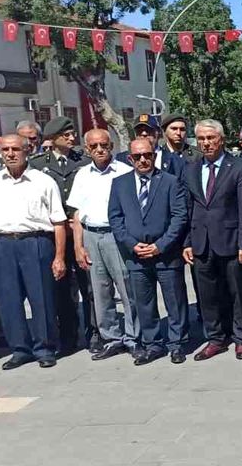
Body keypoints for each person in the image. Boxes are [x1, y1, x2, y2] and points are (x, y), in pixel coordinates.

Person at [0, 134, 67, 369]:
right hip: (3, 245)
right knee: (8, 300)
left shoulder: (43, 181)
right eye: (5, 150)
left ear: (27, 150)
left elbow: (59, 222)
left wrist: (59, 257)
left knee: (41, 297)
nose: (10, 154)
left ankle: (45, 348)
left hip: (36, 242)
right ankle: (20, 349)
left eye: (15, 149)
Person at [109, 137, 191, 365]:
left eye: (148, 155)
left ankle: (177, 344)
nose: (143, 160)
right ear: (130, 158)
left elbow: (179, 217)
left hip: (166, 254)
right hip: (136, 256)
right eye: (138, 156)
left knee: (175, 301)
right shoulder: (120, 183)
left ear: (155, 156)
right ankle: (152, 344)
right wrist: (131, 244)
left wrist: (160, 245)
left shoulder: (170, 182)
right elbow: (115, 218)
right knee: (144, 303)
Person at [182, 119, 242, 361]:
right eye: (201, 139)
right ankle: (215, 338)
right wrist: (187, 242)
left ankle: (241, 338)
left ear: (221, 139)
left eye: (210, 138)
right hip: (201, 241)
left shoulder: (239, 167)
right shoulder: (191, 168)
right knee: (208, 294)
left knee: (238, 292)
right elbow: (187, 208)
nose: (206, 143)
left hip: (231, 239)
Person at [69, 129, 138, 361]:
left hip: (117, 236)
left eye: (104, 145)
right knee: (100, 292)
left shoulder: (126, 172)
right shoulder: (82, 175)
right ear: (87, 149)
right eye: (94, 146)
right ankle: (112, 338)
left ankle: (133, 337)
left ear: (112, 146)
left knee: (128, 288)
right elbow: (77, 214)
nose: (100, 149)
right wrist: (78, 246)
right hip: (91, 236)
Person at [30, 116, 97, 354]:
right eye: (65, 135)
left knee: (89, 286)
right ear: (53, 138)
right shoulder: (38, 165)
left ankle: (94, 333)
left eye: (72, 133)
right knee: (61, 289)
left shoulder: (84, 161)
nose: (71, 138)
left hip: (80, 231)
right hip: (55, 234)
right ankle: (68, 335)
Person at [116, 115, 184, 176]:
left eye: (149, 130)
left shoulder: (175, 160)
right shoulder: (121, 159)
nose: (144, 134)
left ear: (158, 132)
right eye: (139, 131)